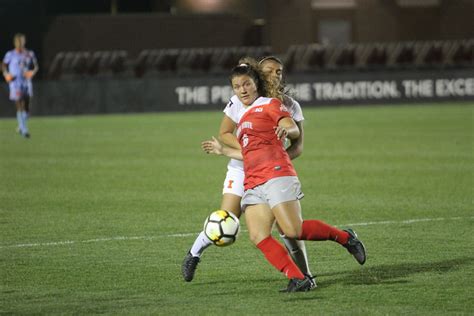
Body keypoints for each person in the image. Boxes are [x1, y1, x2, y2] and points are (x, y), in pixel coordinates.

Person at [201, 61, 366, 292]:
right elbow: (249, 153)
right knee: (258, 236)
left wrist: (285, 130)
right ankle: (298, 278)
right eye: (237, 87)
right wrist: (224, 151)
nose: (243, 90)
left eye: (246, 84)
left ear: (256, 84)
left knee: (293, 231)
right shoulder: (243, 113)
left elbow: (293, 129)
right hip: (253, 180)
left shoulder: (270, 104)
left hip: (276, 174)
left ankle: (346, 238)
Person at [182, 56, 313, 285]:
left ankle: (304, 275)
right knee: (226, 218)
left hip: (272, 170)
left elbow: (298, 146)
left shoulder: (290, 105)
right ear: (259, 75)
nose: (275, 76)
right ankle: (193, 254)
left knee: (288, 229)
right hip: (241, 168)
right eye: (269, 71)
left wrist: (272, 159)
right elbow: (224, 133)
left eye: (279, 72)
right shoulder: (240, 99)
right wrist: (251, 151)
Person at [2, 33, 38, 138]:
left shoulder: (29, 54)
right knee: (19, 105)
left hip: (26, 82)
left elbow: (36, 66)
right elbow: (3, 65)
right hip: (15, 83)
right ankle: (24, 130)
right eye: (18, 41)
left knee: (26, 108)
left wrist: (32, 72)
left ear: (24, 42)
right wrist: (6, 75)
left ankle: (21, 124)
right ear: (15, 43)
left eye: (22, 41)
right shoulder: (10, 54)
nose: (20, 43)